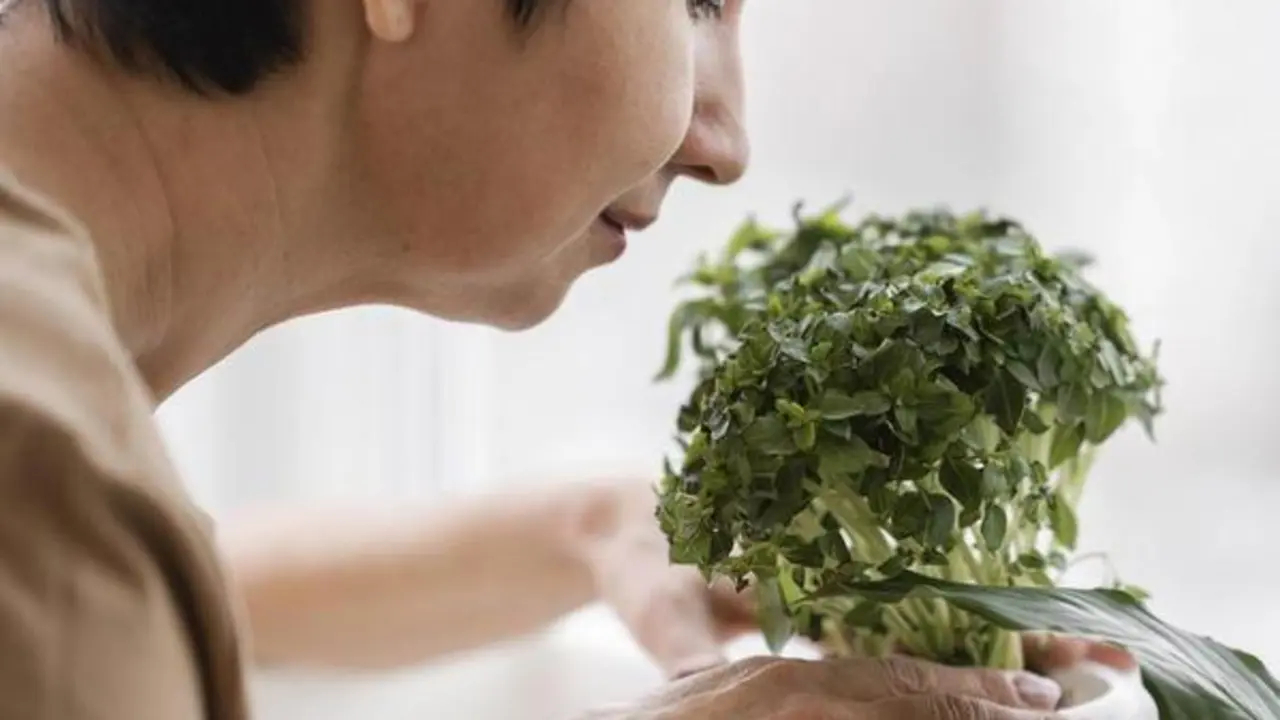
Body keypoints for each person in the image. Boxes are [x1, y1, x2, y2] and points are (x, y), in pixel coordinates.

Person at [0, 0, 1099, 717]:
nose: (726, 143)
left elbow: (137, 612)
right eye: (696, 3)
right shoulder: (42, 469)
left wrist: (577, 530)